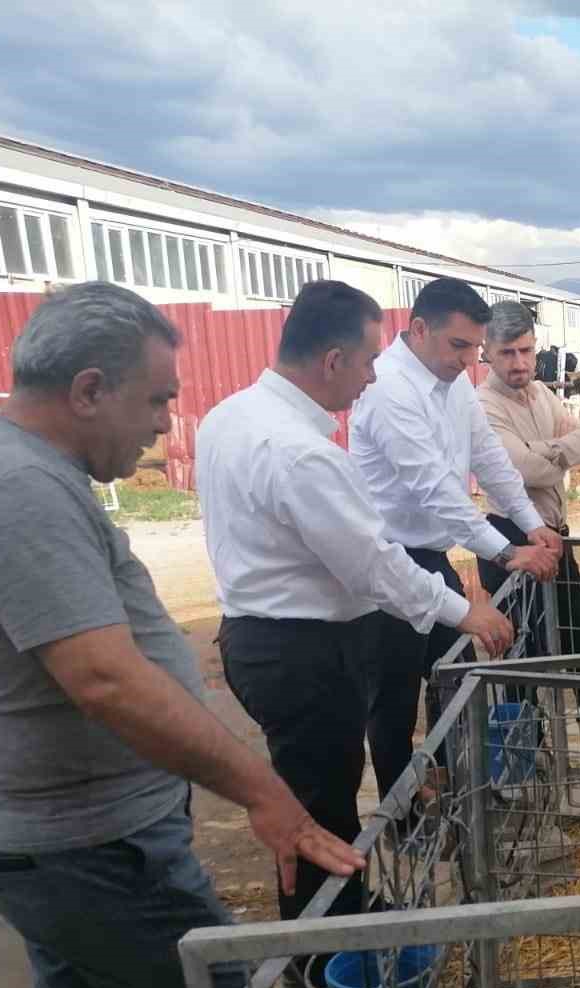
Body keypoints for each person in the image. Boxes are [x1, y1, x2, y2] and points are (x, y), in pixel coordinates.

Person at [0, 282, 365, 988]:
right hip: (91, 842)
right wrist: (260, 790)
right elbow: (105, 678)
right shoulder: (17, 492)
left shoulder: (10, 471)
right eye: (158, 399)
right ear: (88, 390)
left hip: (56, 836)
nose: (166, 427)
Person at [197, 280, 513, 941]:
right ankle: (324, 947)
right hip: (303, 651)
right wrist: (465, 612)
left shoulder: (230, 415)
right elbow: (373, 563)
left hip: (258, 635)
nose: (373, 376)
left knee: (317, 793)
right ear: (333, 360)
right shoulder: (302, 452)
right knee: (322, 804)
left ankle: (337, 923)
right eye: (369, 360)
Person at [348, 277, 559, 801]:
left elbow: (488, 455)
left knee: (457, 675)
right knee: (394, 700)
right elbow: (434, 490)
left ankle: (455, 788)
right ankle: (404, 816)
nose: (468, 359)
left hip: (430, 554)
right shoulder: (388, 388)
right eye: (459, 345)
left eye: (473, 348)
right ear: (419, 329)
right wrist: (508, 551)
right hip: (388, 560)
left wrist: (532, 522)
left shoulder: (452, 380)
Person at [476, 300, 580, 712]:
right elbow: (527, 472)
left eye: (526, 350)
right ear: (487, 353)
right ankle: (525, 749)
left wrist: (544, 453)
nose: (519, 362)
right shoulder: (482, 406)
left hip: (553, 535)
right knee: (524, 652)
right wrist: (554, 456)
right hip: (510, 539)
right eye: (507, 353)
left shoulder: (541, 394)